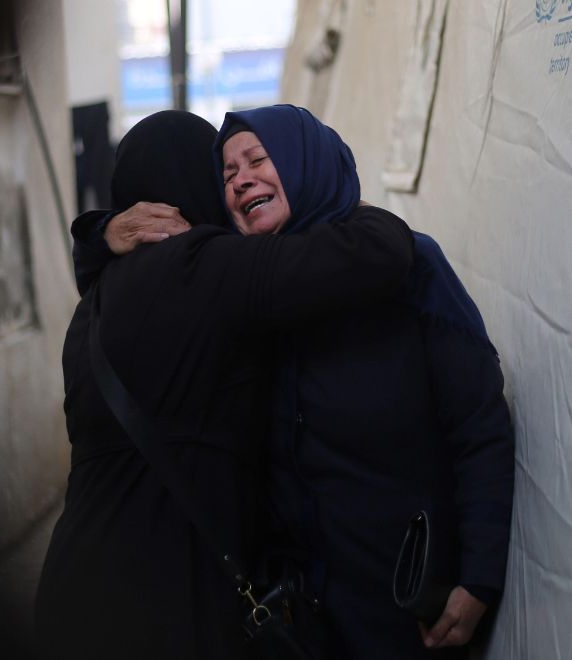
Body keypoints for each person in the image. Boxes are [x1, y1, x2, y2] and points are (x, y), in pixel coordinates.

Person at [77, 104, 514, 660]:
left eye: (258, 159)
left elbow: (479, 425)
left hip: (408, 608)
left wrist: (479, 575)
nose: (241, 180)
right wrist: (103, 230)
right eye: (227, 174)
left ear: (306, 162)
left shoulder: (410, 269)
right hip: (302, 622)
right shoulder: (246, 295)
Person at [34, 109, 414, 660]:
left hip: (72, 591)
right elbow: (381, 253)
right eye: (220, 170)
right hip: (165, 599)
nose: (231, 184)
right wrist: (332, 197)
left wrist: (99, 233)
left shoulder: (90, 307)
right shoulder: (202, 266)